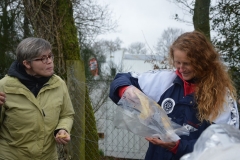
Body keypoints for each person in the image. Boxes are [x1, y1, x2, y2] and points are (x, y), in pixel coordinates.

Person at [109, 31, 239, 160]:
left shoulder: (221, 97)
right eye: (177, 62)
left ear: (202, 61)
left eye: (187, 63)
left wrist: (178, 146)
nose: (181, 69)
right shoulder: (166, 79)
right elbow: (123, 79)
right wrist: (127, 91)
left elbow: (225, 146)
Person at [0, 37, 75, 160]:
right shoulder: (4, 86)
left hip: (48, 156)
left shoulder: (58, 83)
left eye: (50, 56)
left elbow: (67, 114)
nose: (49, 61)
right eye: (43, 58)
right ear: (27, 63)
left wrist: (62, 128)